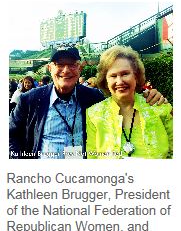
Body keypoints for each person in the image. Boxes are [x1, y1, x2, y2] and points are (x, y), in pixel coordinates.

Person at [9, 46, 166, 159]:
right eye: (60, 64)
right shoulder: (29, 100)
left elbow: (122, 100)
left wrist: (150, 96)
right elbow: (10, 135)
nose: (66, 70)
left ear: (79, 69)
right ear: (50, 68)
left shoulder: (94, 98)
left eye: (72, 64)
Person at [86, 45, 173, 159]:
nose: (119, 81)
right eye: (113, 76)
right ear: (105, 80)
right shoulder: (94, 114)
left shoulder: (159, 107)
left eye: (125, 74)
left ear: (136, 76)